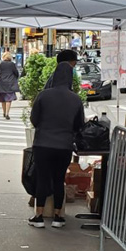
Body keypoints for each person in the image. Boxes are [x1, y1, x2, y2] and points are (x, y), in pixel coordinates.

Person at [28, 62, 85, 228]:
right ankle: (58, 217)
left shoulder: (43, 95)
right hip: (64, 145)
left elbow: (34, 119)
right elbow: (79, 124)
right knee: (59, 179)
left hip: (43, 144)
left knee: (42, 178)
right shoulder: (75, 99)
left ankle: (39, 216)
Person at [0, 51, 21, 120]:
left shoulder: (1, 64)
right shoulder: (12, 64)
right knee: (9, 99)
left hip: (2, 83)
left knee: (3, 99)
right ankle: (7, 113)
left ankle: (4, 112)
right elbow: (16, 73)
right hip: (10, 83)